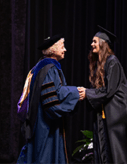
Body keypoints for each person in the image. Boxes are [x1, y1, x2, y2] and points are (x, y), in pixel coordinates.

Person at [17, 34, 81, 164]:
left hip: (42, 122)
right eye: (62, 47)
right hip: (45, 126)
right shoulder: (49, 69)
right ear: (53, 50)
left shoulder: (40, 67)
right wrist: (75, 92)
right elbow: (51, 101)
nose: (65, 50)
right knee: (45, 157)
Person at [78, 25, 127, 164]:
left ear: (103, 44)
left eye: (95, 41)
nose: (92, 44)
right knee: (105, 151)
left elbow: (109, 91)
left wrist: (87, 92)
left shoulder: (113, 62)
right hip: (108, 115)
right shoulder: (102, 64)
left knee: (117, 153)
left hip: (118, 115)